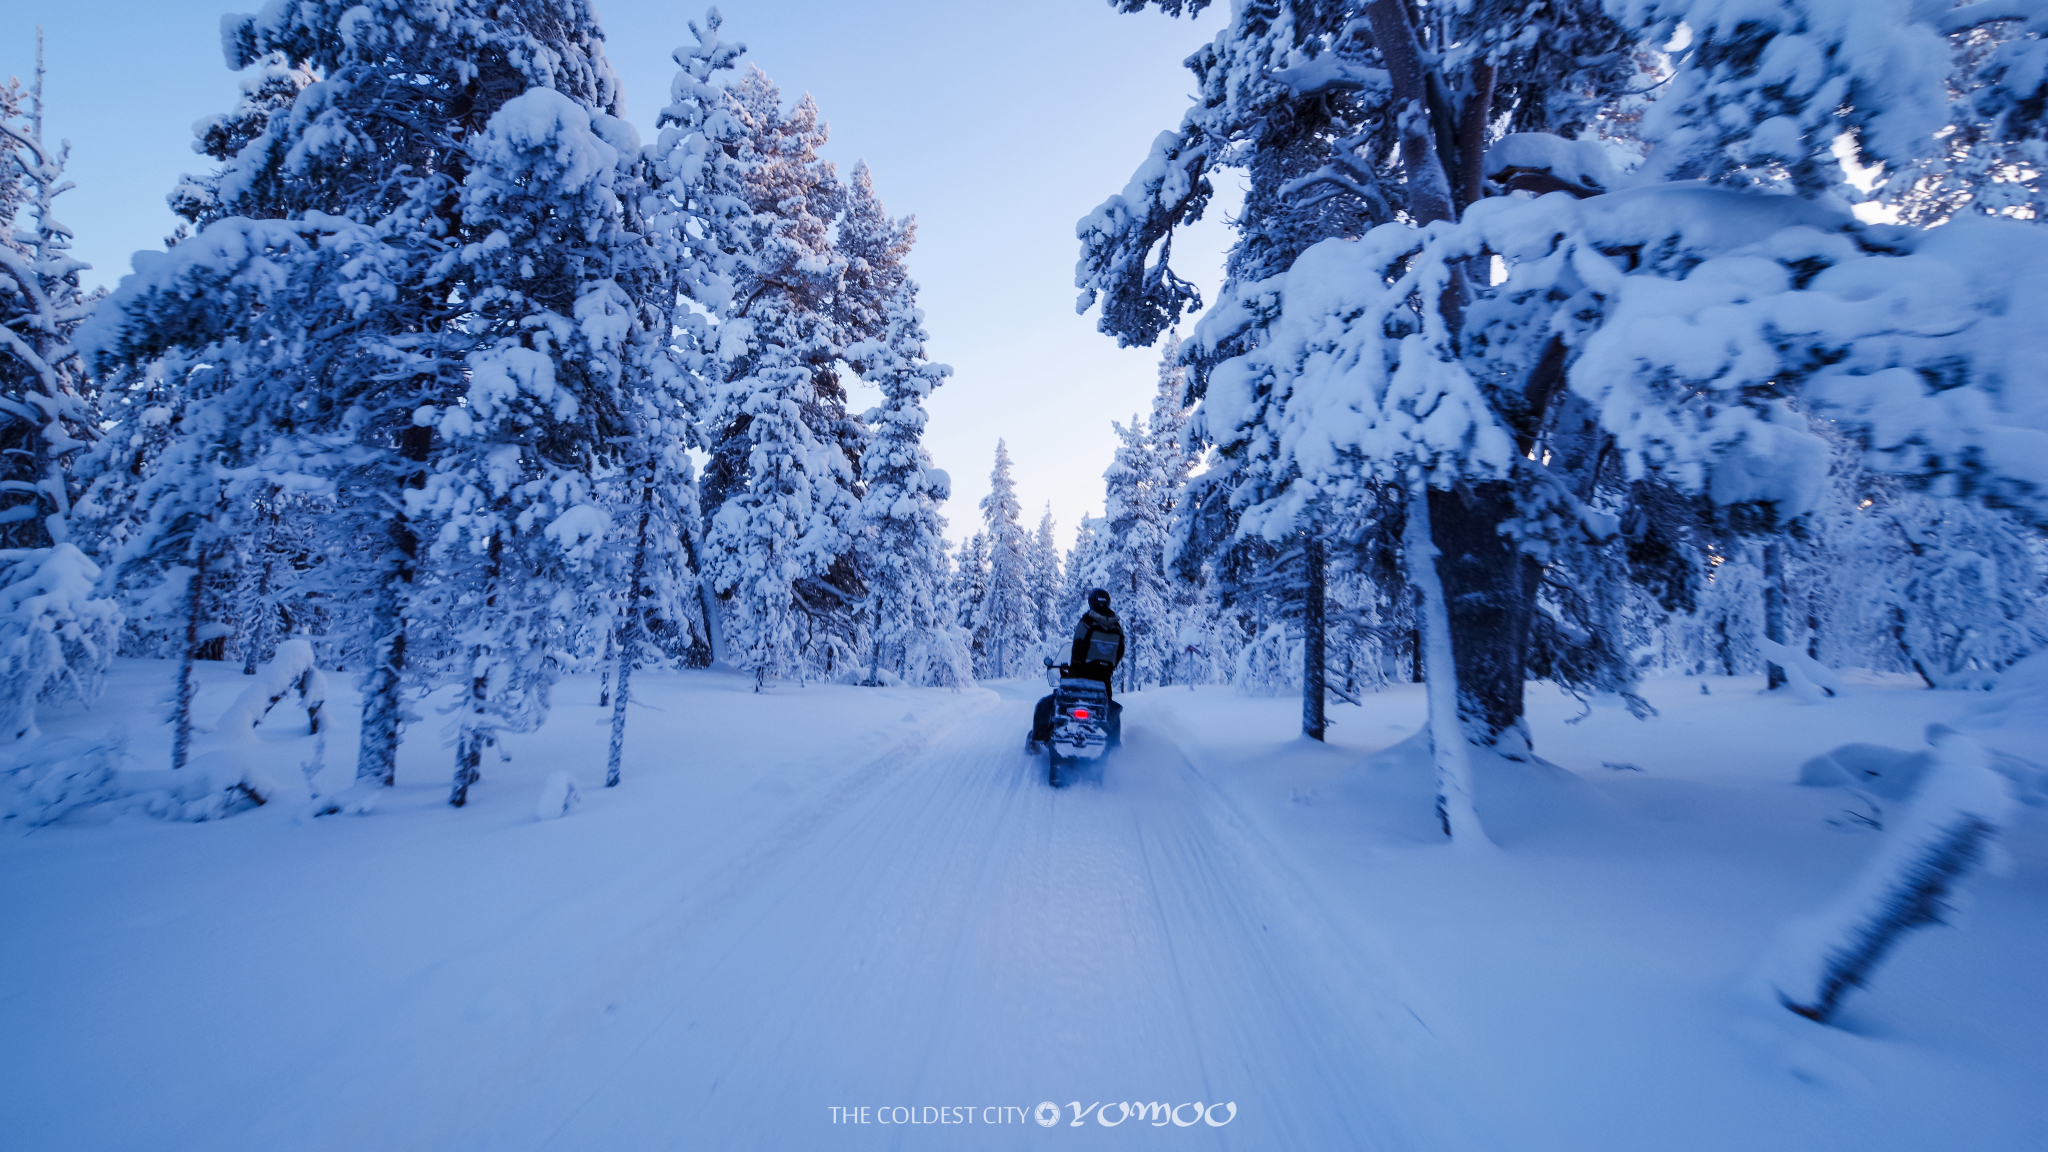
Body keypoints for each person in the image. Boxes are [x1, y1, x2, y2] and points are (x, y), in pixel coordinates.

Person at [1029, 588, 1125, 750]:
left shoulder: (1087, 621)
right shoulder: (1117, 626)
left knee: (1054, 702)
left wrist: (1074, 667)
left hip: (1082, 673)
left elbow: (1078, 646)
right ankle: (1113, 743)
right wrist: (1110, 665)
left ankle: (1041, 735)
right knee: (1107, 708)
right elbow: (1120, 650)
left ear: (1092, 602)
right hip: (1104, 678)